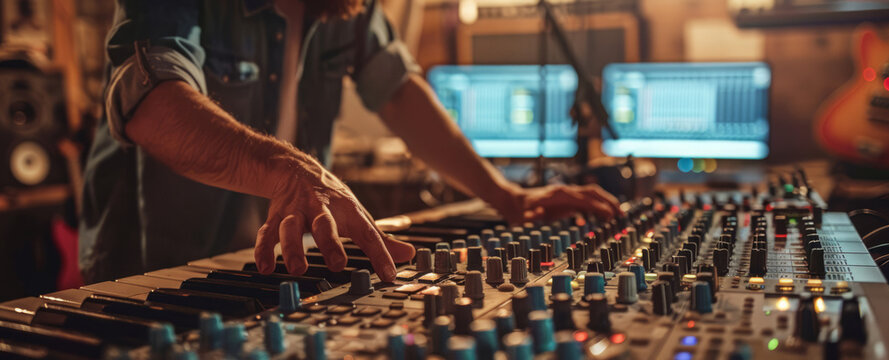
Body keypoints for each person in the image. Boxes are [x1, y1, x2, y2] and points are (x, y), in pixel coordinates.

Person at [80, 0, 621, 283]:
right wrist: (290, 169)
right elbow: (151, 104)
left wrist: (507, 197)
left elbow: (399, 91)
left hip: (267, 275)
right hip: (151, 279)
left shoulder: (346, 5)